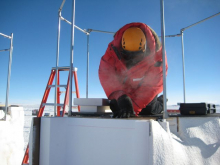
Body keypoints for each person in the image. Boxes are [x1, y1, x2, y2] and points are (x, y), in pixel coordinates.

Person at [98, 22, 168, 118]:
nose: (132, 60)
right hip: (124, 89)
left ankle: (162, 101)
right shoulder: (112, 51)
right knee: (116, 106)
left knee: (148, 110)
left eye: (136, 56)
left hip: (144, 89)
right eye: (127, 55)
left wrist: (133, 110)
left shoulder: (158, 56)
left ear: (145, 48)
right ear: (122, 48)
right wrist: (120, 96)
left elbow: (153, 86)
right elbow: (105, 74)